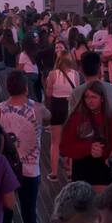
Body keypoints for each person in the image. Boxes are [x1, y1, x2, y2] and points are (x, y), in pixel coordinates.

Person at [0, 70, 48, 223]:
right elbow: (49, 118)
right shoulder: (39, 110)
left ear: (7, 88)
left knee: (5, 215)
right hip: (30, 171)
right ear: (26, 87)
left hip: (5, 172)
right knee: (29, 215)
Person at [59, 81, 112, 191]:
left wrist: (105, 153)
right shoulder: (76, 118)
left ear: (102, 98)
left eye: (94, 97)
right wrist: (88, 148)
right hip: (81, 169)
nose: (90, 101)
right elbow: (64, 147)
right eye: (87, 97)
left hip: (103, 170)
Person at [44, 52, 79, 181]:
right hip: (70, 108)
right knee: (71, 140)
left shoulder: (53, 75)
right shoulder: (75, 75)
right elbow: (77, 92)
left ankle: (53, 173)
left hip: (56, 107)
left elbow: (48, 93)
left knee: (55, 142)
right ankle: (70, 172)